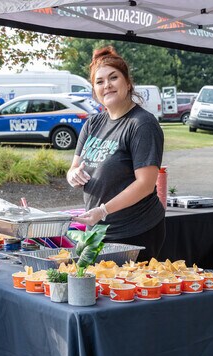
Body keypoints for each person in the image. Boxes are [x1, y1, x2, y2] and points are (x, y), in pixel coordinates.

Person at [67, 46, 165, 262]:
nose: (107, 85)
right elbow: (73, 168)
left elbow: (145, 185)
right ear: (94, 90)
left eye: (114, 78)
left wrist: (103, 211)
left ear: (128, 83)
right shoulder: (93, 124)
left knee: (126, 292)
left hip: (135, 230)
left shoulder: (142, 124)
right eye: (100, 82)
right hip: (96, 231)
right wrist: (72, 175)